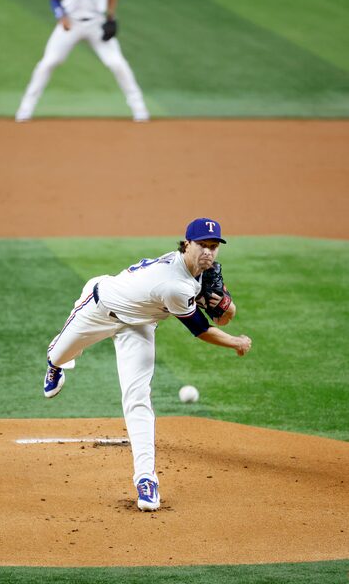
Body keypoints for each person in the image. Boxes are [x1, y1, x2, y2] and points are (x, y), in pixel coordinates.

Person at [44, 218, 252, 511]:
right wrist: (236, 342)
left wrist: (228, 307)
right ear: (187, 244)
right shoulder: (174, 285)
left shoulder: (201, 271)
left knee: (138, 398)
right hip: (99, 307)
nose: (208, 252)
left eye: (214, 246)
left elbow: (223, 312)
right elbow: (200, 329)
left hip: (139, 325)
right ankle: (55, 363)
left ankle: (146, 479)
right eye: (202, 245)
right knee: (59, 355)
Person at [16, 0, 149, 122]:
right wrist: (60, 15)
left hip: (97, 23)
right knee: (48, 63)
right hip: (71, 23)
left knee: (117, 63)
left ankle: (140, 109)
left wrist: (111, 18)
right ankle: (25, 110)